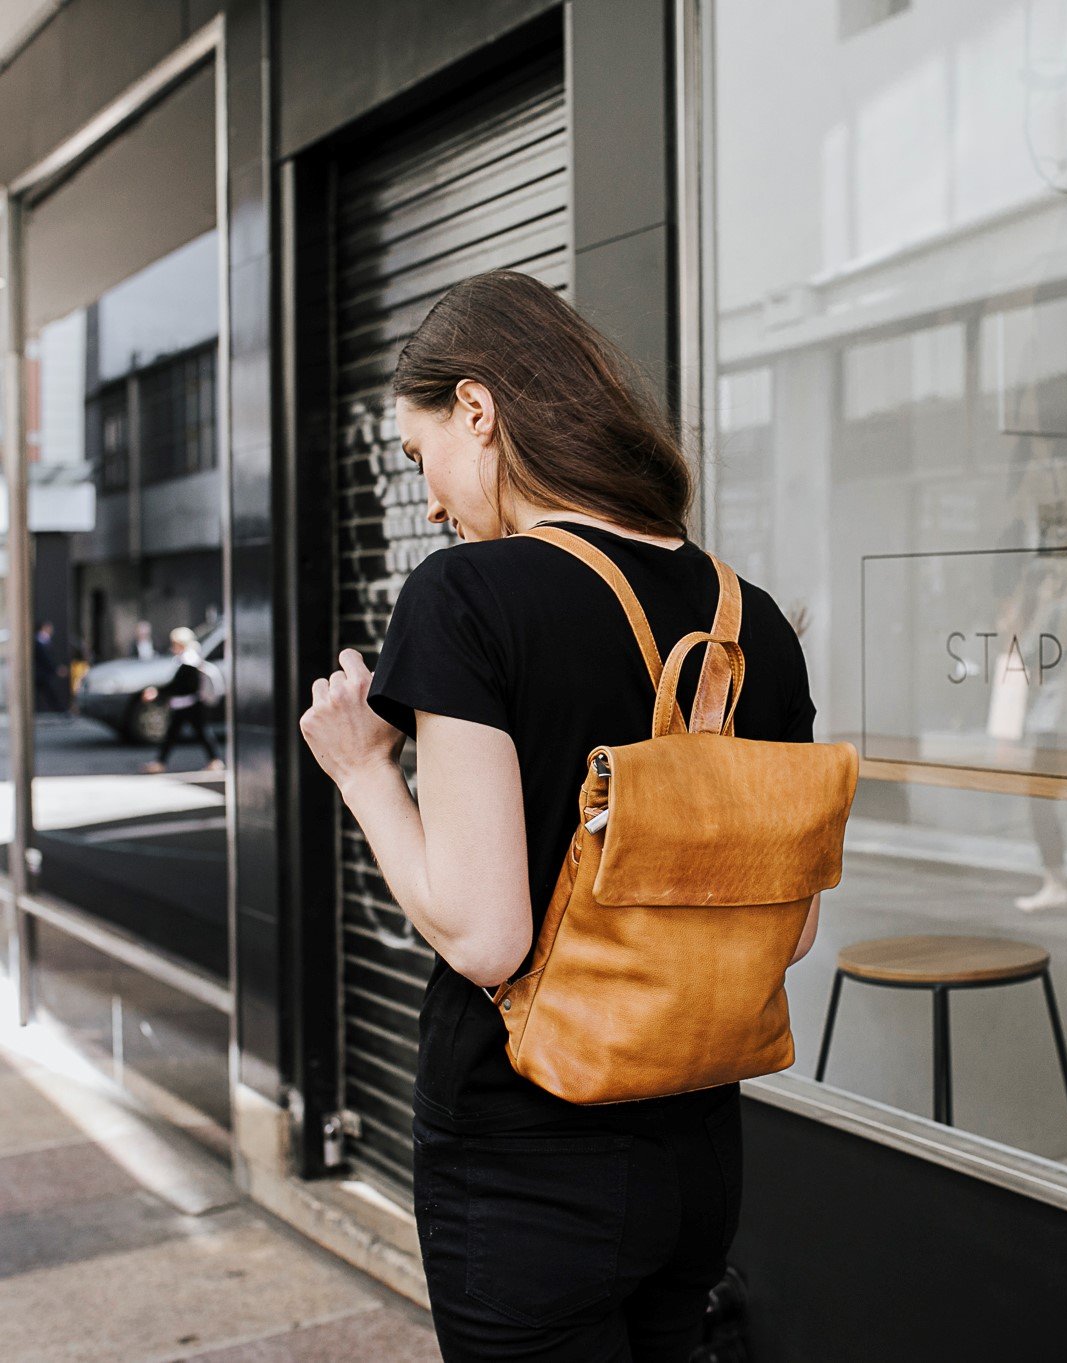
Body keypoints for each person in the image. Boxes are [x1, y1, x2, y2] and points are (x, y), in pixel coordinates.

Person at [298, 269, 819, 1361]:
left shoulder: (467, 596)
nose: (431, 498)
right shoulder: (751, 620)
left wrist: (360, 775)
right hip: (699, 1150)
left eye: (418, 453)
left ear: (477, 410)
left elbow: (489, 939)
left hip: (527, 1161)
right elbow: (793, 927)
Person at [140, 626, 225, 773]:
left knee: (193, 733)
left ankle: (214, 760)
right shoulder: (188, 658)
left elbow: (182, 685)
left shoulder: (189, 660)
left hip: (189, 703)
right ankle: (213, 760)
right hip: (185, 703)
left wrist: (158, 692)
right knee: (192, 733)